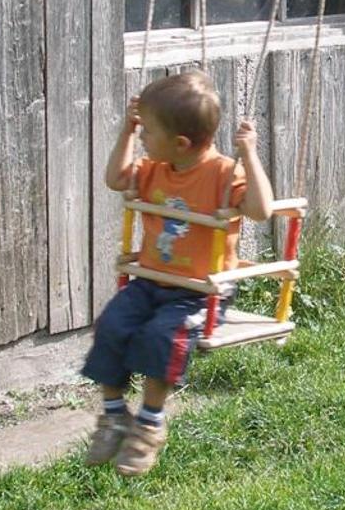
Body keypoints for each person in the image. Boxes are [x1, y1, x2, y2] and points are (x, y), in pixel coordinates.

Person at [82, 69, 274, 477]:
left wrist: (250, 154)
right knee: (111, 325)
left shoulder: (223, 174)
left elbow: (261, 210)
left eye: (148, 132)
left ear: (180, 143)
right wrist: (127, 131)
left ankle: (149, 424)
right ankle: (114, 415)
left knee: (161, 337)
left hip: (198, 294)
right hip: (149, 282)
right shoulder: (155, 167)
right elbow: (115, 179)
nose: (143, 140)